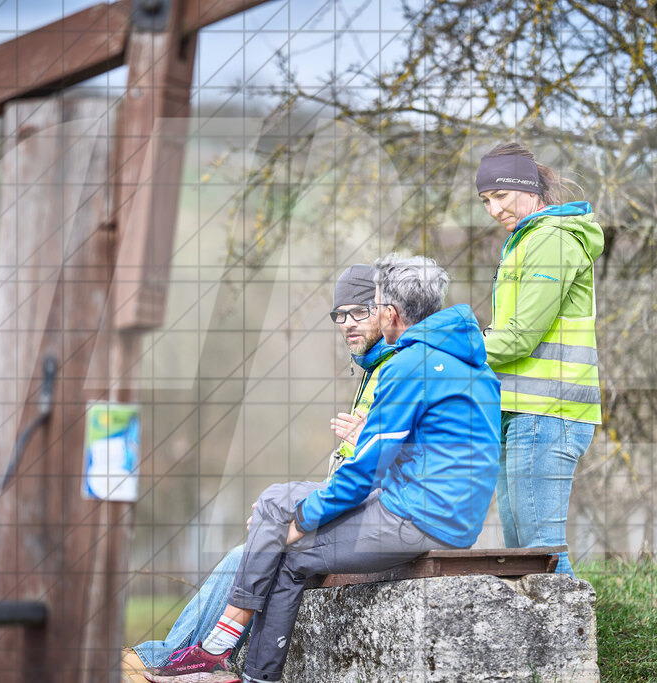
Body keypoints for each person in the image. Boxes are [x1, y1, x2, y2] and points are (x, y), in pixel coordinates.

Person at [142, 254, 501, 683]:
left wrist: (302, 521)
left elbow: (363, 474)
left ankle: (222, 654)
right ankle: (230, 659)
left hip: (417, 517)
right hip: (446, 513)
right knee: (278, 507)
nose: (354, 320)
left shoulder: (410, 366)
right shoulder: (465, 361)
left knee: (288, 547)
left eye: (371, 305)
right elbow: (437, 451)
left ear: (389, 312)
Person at [121, 264, 395, 678]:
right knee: (257, 539)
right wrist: (285, 514)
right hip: (353, 513)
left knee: (248, 554)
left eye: (359, 312)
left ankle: (168, 659)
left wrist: (294, 518)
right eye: (339, 315)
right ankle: (184, 659)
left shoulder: (401, 370)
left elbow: (393, 470)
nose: (347, 325)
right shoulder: (375, 370)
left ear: (387, 310)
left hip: (380, 525)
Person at [475, 142, 604, 578]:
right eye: (486, 200)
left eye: (501, 196)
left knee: (540, 553)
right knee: (524, 557)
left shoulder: (550, 240)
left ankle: (573, 645)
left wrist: (450, 351)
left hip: (549, 411)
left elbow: (518, 339)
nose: (493, 210)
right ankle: (542, 646)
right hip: (520, 409)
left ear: (529, 190)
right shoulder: (525, 241)